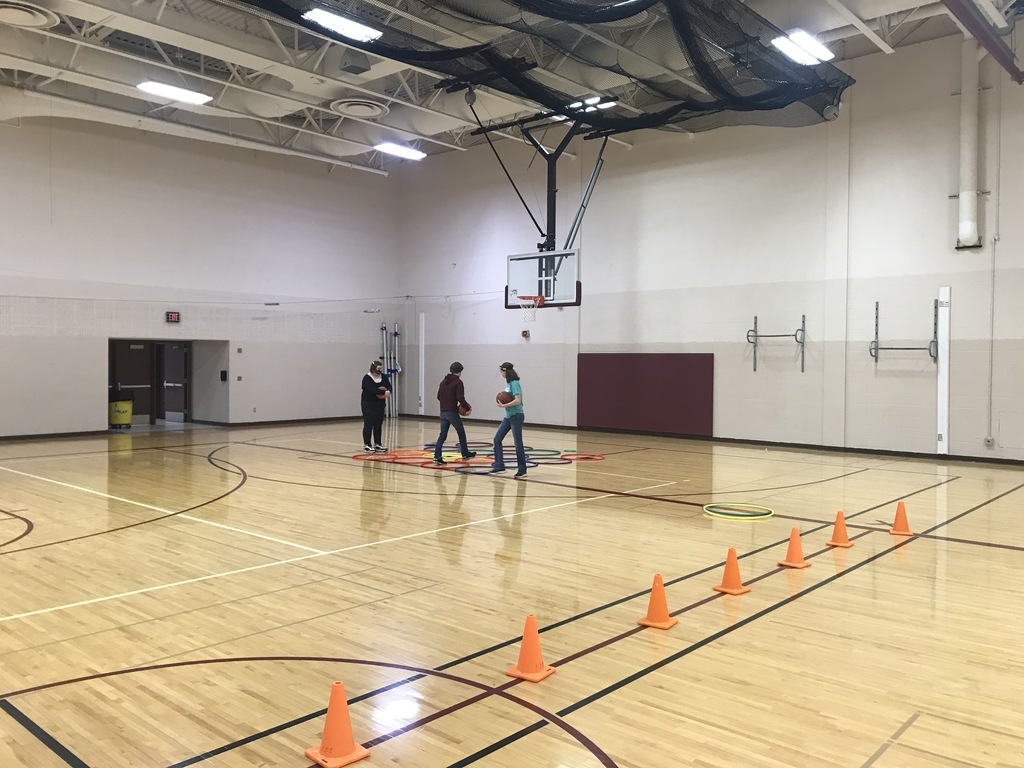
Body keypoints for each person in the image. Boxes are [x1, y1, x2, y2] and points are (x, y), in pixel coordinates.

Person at [433, 362, 477, 464]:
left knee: (442, 435)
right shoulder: (458, 382)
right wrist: (467, 408)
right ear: (461, 371)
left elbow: (439, 397)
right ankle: (465, 453)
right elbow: (460, 398)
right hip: (452, 412)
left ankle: (437, 456)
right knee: (461, 432)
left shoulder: (443, 381)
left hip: (442, 412)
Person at [491, 361, 527, 479]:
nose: (501, 373)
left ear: (505, 371)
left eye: (501, 371)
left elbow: (517, 400)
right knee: (497, 439)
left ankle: (522, 469)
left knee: (517, 443)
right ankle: (499, 465)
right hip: (508, 416)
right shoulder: (508, 383)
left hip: (516, 416)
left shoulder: (515, 383)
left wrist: (504, 405)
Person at [360, 360, 391, 452]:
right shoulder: (367, 378)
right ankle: (367, 444)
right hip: (368, 404)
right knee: (369, 424)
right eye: (378, 369)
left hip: (380, 404)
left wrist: (388, 391)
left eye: (381, 369)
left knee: (378, 423)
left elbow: (389, 386)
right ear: (374, 368)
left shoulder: (383, 377)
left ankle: (378, 443)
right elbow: (372, 390)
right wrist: (383, 392)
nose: (380, 371)